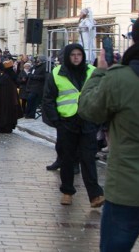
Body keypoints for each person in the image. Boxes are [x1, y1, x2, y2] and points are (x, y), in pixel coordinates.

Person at [78, 11, 139, 251]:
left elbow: (89, 110)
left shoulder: (120, 78)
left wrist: (100, 72)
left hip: (126, 189)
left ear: (137, 40)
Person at [41, 43, 104, 207]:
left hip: (88, 120)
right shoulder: (57, 73)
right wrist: (56, 121)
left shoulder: (91, 71)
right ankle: (67, 192)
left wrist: (97, 119)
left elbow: (101, 95)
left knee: (88, 158)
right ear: (67, 56)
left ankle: (95, 195)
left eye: (79, 55)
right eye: (73, 55)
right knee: (67, 159)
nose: (76, 58)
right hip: (67, 122)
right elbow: (48, 99)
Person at [0, 59, 21, 133]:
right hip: (10, 100)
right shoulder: (10, 76)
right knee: (8, 113)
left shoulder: (4, 76)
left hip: (4, 101)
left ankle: (4, 127)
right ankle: (7, 127)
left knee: (4, 113)